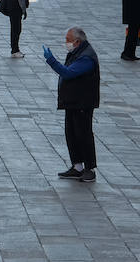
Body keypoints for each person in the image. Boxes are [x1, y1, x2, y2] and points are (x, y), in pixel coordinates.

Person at [42, 27, 100, 182]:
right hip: (73, 101)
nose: (66, 42)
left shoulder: (86, 58)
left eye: (68, 39)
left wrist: (51, 60)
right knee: (72, 134)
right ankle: (77, 167)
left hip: (83, 102)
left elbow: (68, 73)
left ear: (77, 41)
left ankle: (89, 169)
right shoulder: (77, 52)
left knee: (84, 135)